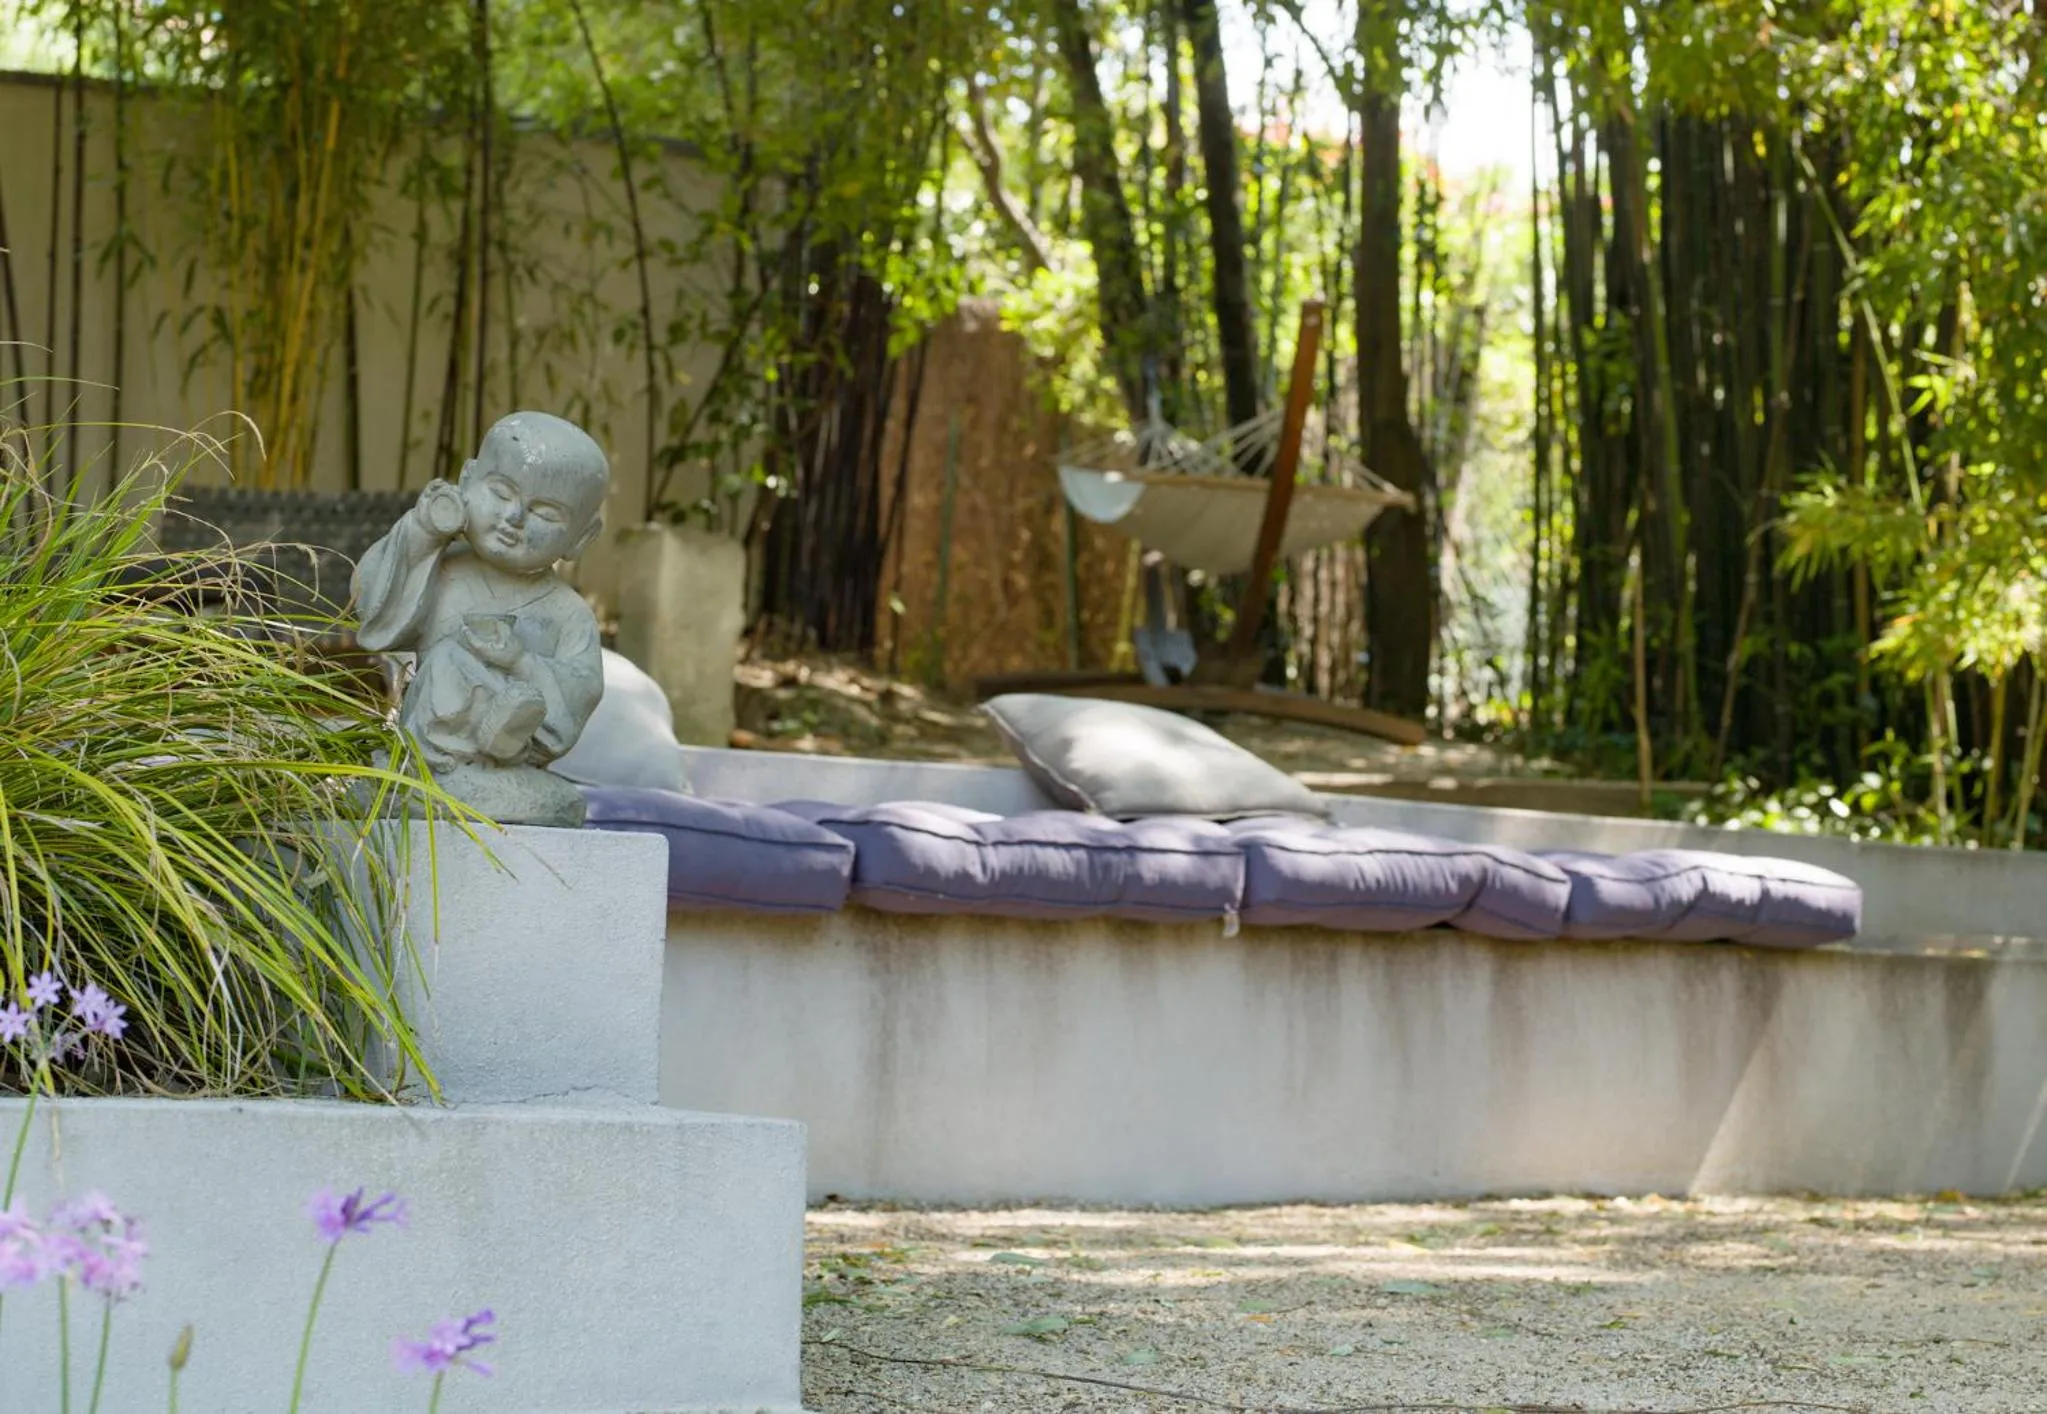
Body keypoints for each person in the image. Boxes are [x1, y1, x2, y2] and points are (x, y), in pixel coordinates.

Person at [353, 411, 608, 824]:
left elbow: (579, 689)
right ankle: (440, 758)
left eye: (545, 513)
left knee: (510, 696)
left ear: (582, 537)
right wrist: (422, 530)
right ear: (468, 480)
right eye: (502, 493)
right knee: (447, 661)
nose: (515, 518)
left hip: (519, 731)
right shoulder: (441, 567)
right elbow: (370, 602)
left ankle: (504, 738)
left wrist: (519, 661)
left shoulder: (569, 612)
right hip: (431, 725)